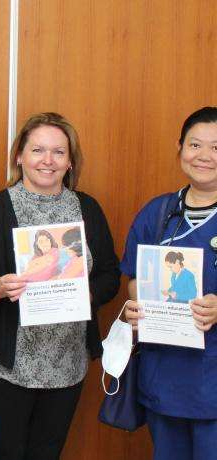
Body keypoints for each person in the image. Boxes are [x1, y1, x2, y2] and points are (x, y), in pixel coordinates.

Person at [0, 112, 120, 460]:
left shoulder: (88, 209)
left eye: (58, 152)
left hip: (68, 363)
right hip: (6, 365)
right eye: (37, 150)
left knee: (48, 454)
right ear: (19, 155)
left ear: (70, 161)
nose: (47, 161)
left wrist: (83, 293)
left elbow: (110, 274)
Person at [123, 106, 217, 460]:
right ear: (180, 149)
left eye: (216, 147)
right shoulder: (158, 213)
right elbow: (134, 279)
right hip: (165, 378)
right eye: (195, 144)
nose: (204, 156)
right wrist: (138, 302)